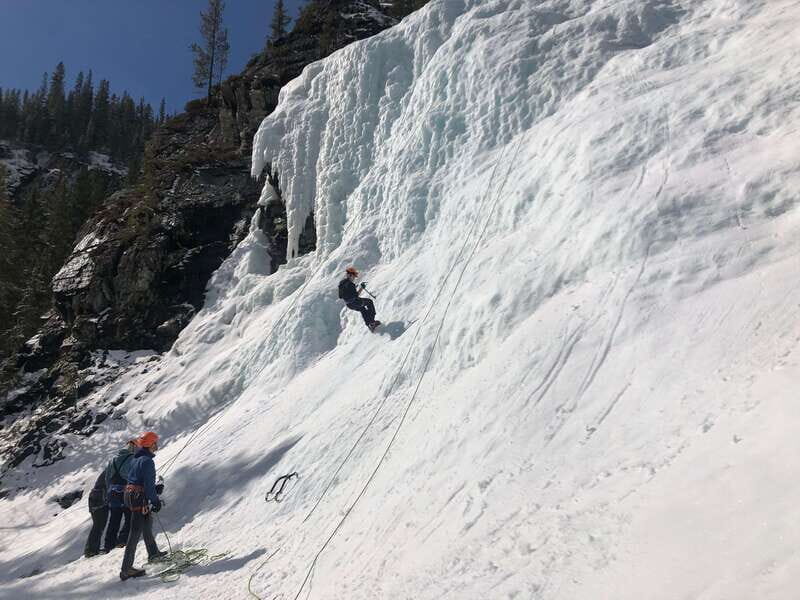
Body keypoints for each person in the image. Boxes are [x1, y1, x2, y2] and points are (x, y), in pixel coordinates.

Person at [120, 431, 167, 581]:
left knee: (147, 522)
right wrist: (155, 500)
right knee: (135, 530)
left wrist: (152, 490)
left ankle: (153, 553)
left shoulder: (137, 458)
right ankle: (126, 569)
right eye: (155, 442)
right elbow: (147, 484)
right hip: (138, 497)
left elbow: (139, 480)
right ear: (151, 444)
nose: (157, 445)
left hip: (132, 494)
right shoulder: (147, 461)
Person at [103, 440, 136, 550]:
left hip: (113, 493)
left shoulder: (112, 460)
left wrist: (109, 492)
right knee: (129, 517)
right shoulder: (132, 458)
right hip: (126, 492)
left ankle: (108, 544)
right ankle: (122, 540)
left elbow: (107, 478)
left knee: (114, 519)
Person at [338, 266, 381, 332]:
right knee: (369, 302)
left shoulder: (341, 283)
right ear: (350, 275)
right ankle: (372, 323)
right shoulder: (350, 284)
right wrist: (362, 288)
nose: (354, 278)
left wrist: (351, 290)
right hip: (356, 302)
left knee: (362, 309)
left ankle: (369, 324)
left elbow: (340, 296)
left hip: (349, 305)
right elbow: (356, 295)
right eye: (353, 276)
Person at [83, 470, 110, 557]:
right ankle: (91, 550)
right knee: (99, 525)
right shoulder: (112, 470)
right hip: (99, 501)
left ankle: (92, 549)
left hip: (95, 499)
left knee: (98, 525)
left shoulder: (110, 469)